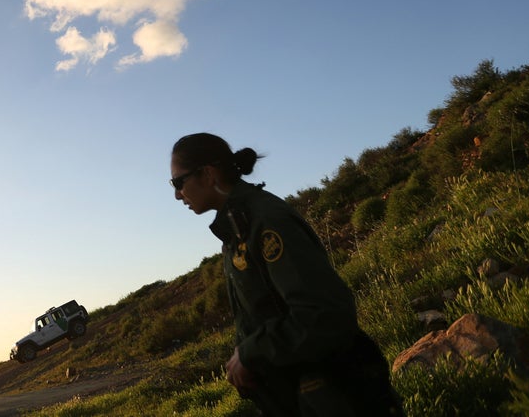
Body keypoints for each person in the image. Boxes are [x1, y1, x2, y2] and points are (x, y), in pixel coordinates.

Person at [170, 132, 404, 416]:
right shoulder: (238, 226)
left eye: (178, 183)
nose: (177, 195)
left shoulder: (267, 220)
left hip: (333, 395)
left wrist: (250, 352)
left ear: (207, 174)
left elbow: (324, 314)